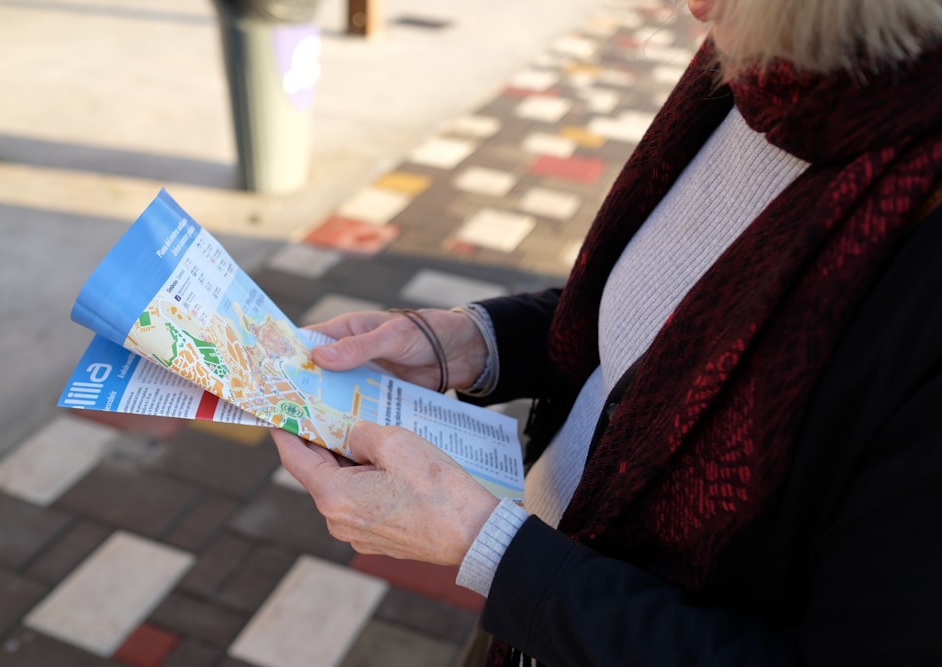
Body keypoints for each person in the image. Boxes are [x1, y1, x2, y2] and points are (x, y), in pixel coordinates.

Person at [271, 0, 942, 663]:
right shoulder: (770, 71)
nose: (696, 7)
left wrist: (486, 544)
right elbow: (660, 325)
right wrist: (468, 344)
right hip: (536, 599)